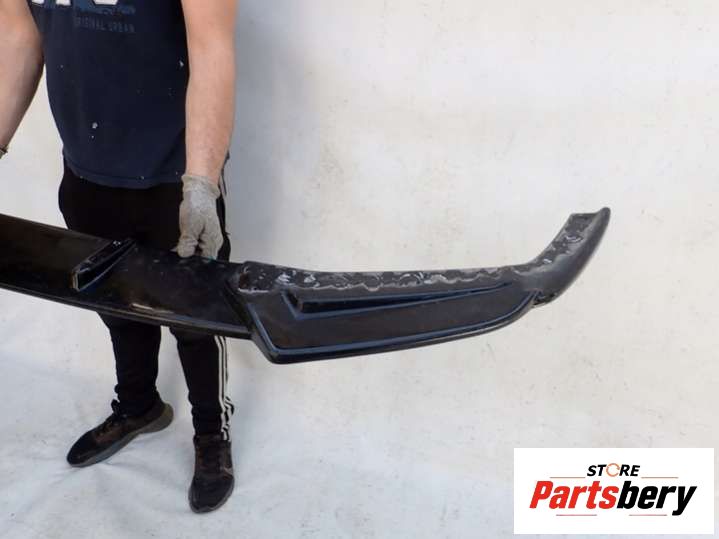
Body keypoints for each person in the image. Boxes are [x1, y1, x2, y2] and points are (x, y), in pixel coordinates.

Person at [0, 0, 238, 513]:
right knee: (114, 300)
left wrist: (201, 183)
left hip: (173, 174)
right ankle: (138, 406)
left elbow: (211, 48)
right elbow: (21, 36)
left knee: (195, 318)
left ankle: (210, 433)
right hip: (86, 170)